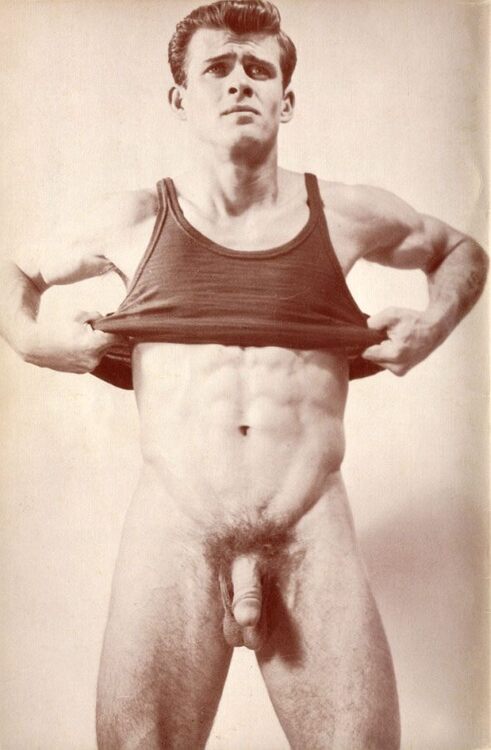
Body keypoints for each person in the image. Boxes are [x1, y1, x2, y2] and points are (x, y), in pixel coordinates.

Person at [0, 1, 487, 748]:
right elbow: (15, 274)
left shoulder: (346, 213)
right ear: (180, 99)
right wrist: (34, 340)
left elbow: (460, 252)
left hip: (310, 528)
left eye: (258, 69)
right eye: (218, 68)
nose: (239, 82)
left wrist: (432, 326)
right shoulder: (134, 220)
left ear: (285, 100)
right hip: (176, 531)